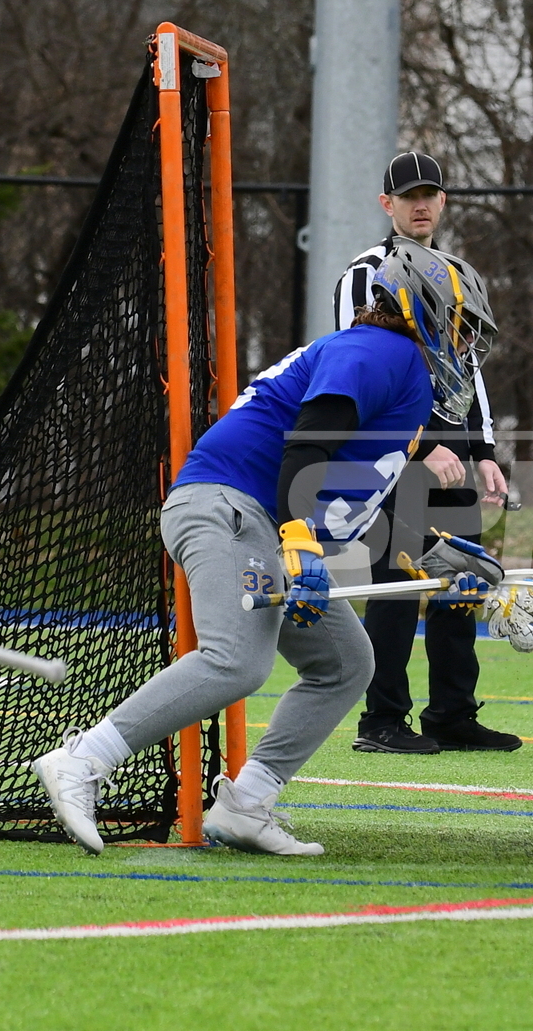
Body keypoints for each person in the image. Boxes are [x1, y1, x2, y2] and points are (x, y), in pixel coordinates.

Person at [30, 238, 502, 857]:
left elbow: (353, 492)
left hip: (263, 516)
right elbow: (306, 447)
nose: (465, 347)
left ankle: (246, 803)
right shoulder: (381, 350)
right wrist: (299, 541)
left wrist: (427, 559)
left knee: (345, 664)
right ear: (426, 310)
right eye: (462, 329)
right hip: (230, 505)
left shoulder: (400, 373)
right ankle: (81, 759)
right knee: (237, 661)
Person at [335, 151, 521, 754]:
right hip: (396, 449)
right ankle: (382, 720)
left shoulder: (454, 273)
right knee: (398, 583)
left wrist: (484, 449)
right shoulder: (366, 273)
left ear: (442, 201)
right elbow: (361, 365)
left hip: (451, 451)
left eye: (429, 194)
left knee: (461, 581)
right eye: (407, 195)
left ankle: (452, 713)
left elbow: (467, 370)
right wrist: (423, 445)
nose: (420, 205)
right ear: (386, 204)